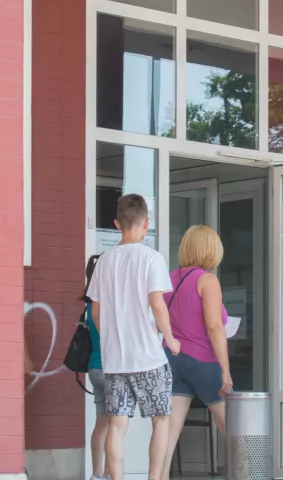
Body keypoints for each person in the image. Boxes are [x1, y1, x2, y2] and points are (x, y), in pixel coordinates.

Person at [87, 194, 180, 480]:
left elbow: (96, 313)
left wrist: (112, 339)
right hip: (149, 357)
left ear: (117, 224)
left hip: (116, 361)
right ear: (146, 223)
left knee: (117, 425)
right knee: (161, 420)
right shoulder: (152, 258)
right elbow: (157, 304)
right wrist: (171, 339)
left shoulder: (103, 261)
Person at [161, 225, 233, 480]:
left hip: (172, 359)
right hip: (203, 360)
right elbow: (214, 326)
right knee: (232, 426)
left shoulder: (168, 279)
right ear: (211, 251)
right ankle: (245, 475)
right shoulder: (207, 280)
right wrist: (225, 370)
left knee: (167, 433)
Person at [81, 254, 110, 480]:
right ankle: (112, 473)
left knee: (101, 424)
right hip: (111, 368)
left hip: (94, 367)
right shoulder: (108, 303)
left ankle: (96, 473)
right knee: (116, 426)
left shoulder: (89, 305)